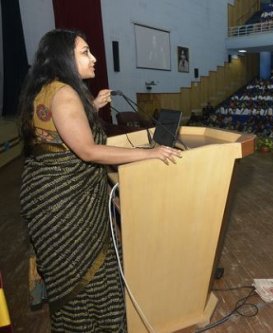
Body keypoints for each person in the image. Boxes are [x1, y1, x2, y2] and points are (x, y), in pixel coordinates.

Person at [18, 29, 181, 331]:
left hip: (47, 201)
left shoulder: (47, 89)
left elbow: (57, 132)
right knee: (89, 278)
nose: (93, 58)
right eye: (85, 52)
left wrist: (92, 106)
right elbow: (88, 151)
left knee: (68, 280)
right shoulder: (65, 93)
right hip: (68, 208)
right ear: (63, 57)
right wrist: (151, 153)